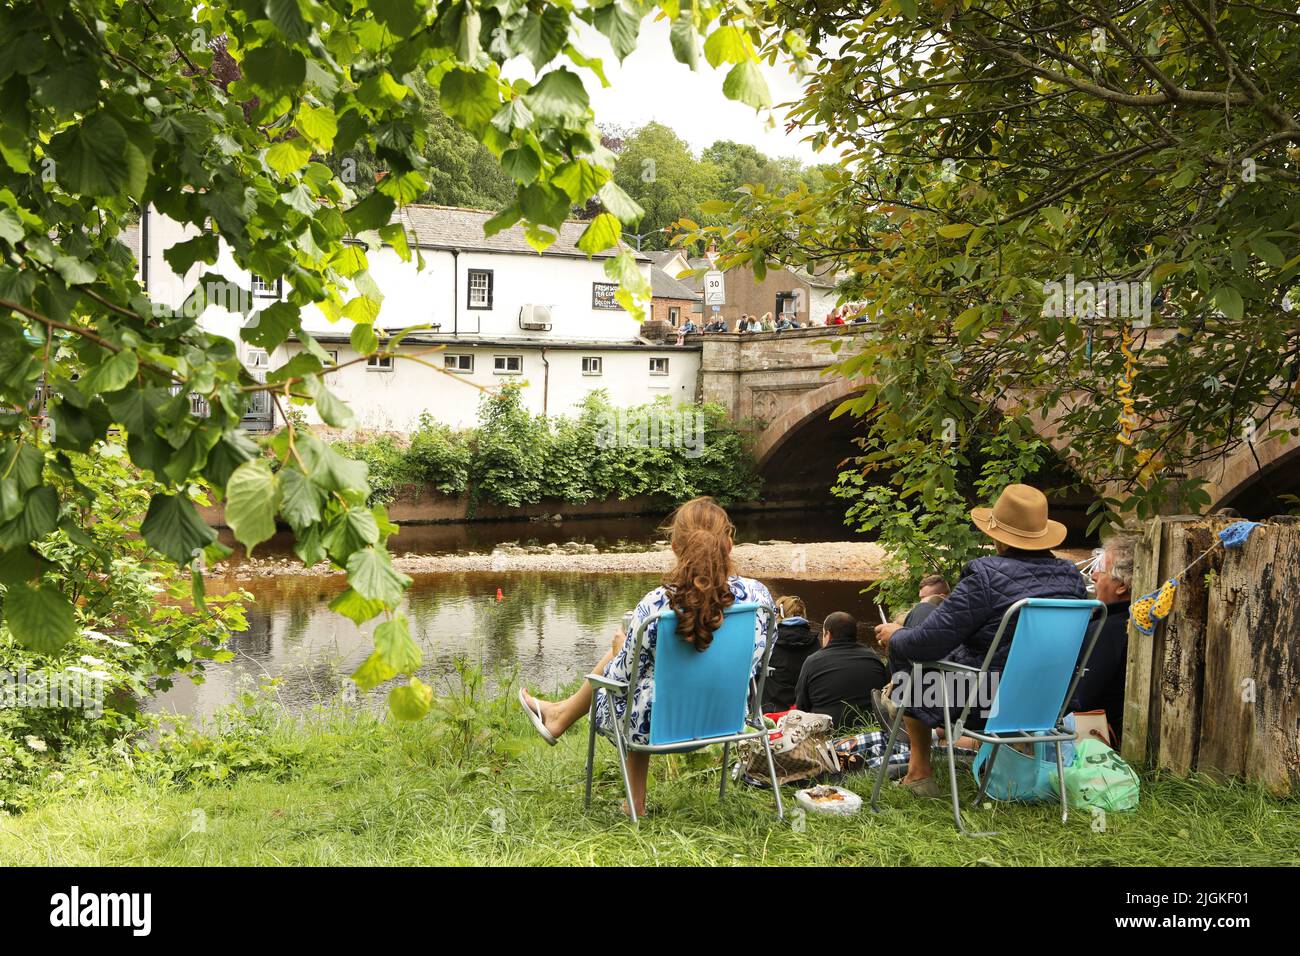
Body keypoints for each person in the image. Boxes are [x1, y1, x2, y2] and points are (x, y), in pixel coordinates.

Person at [519, 497, 772, 817]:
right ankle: (559, 715)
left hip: (657, 728)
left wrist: (617, 652)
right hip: (729, 717)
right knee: (648, 676)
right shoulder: (760, 598)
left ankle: (627, 795)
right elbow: (761, 659)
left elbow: (622, 678)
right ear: (730, 544)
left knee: (630, 675)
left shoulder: (656, 605)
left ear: (675, 547)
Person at [873, 483, 1085, 797]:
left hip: (984, 702)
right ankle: (1014, 761)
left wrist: (895, 635)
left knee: (906, 651)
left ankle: (919, 772)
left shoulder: (985, 576)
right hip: (1050, 701)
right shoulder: (1072, 579)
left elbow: (926, 645)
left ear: (998, 537)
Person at [1071, 532, 1134, 744]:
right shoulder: (1130, 620)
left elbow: (1080, 700)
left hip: (1092, 738)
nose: (1094, 575)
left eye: (1101, 569)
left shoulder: (1107, 630)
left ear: (1122, 585)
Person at [795, 611, 889, 730]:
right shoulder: (874, 659)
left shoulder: (812, 662)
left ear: (828, 635)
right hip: (870, 728)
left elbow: (802, 707)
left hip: (826, 733)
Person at [761, 595, 820, 713]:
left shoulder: (768, 640)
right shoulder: (815, 643)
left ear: (778, 614)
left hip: (771, 709)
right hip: (805, 710)